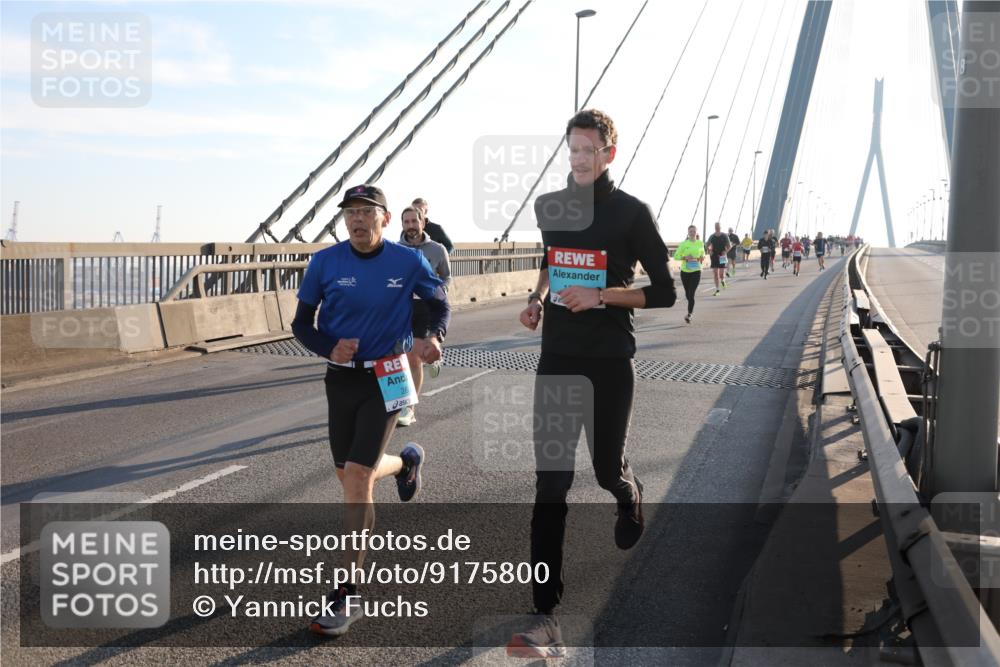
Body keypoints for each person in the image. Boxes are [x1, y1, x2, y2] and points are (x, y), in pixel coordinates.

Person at [508, 109, 676, 659]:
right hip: (557, 359)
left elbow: (665, 292)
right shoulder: (550, 207)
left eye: (589, 150)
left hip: (609, 361)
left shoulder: (632, 213)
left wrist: (602, 296)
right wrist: (537, 299)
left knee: (606, 468)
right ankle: (544, 613)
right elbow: (552, 261)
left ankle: (629, 496)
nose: (579, 159)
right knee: (551, 486)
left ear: (609, 153)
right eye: (572, 150)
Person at [292, 184, 450, 637]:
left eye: (366, 212)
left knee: (357, 477)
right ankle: (406, 462)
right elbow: (302, 323)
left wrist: (434, 336)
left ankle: (348, 592)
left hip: (390, 372)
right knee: (348, 475)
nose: (357, 220)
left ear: (384, 218)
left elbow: (438, 301)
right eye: (350, 213)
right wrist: (328, 346)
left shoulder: (407, 260)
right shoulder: (325, 262)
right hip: (341, 377)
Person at [397, 205, 451, 426]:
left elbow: (446, 277)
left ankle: (409, 408)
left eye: (414, 221)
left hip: (426, 308)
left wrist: (438, 291)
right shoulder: (393, 249)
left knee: (413, 357)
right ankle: (398, 400)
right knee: (397, 356)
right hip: (403, 308)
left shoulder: (437, 249)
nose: (410, 226)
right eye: (406, 222)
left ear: (423, 223)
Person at [674, 225, 705, 323]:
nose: (692, 233)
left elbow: (703, 253)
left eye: (694, 231)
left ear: (696, 232)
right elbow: (676, 256)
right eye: (690, 231)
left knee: (691, 295)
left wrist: (702, 257)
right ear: (688, 233)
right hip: (685, 272)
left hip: (696, 271)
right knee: (687, 295)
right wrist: (685, 257)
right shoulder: (684, 244)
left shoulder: (700, 243)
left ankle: (689, 314)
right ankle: (690, 311)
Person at [706, 222, 731, 295]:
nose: (717, 228)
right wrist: (709, 251)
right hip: (714, 256)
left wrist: (725, 251)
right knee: (715, 274)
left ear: (720, 227)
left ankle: (723, 281)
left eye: (718, 226)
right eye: (716, 226)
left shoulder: (724, 236)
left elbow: (729, 246)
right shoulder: (712, 236)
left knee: (721, 274)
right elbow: (707, 245)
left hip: (722, 256)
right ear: (714, 227)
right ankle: (717, 290)